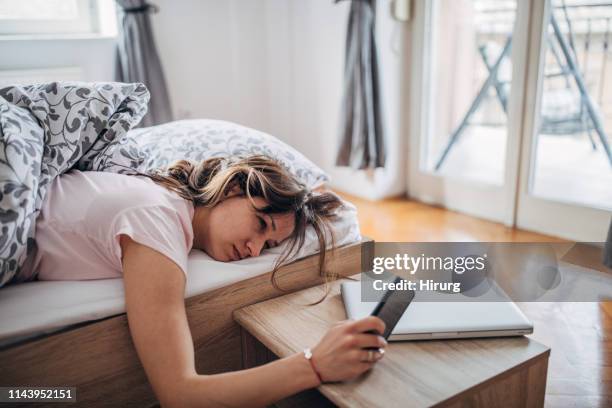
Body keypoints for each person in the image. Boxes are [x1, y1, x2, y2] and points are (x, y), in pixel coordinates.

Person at [17, 155, 387, 407]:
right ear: (231, 189)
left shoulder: (161, 203)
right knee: (17, 396)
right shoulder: (155, 219)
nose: (255, 249)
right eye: (260, 224)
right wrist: (315, 364)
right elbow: (180, 394)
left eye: (269, 244)